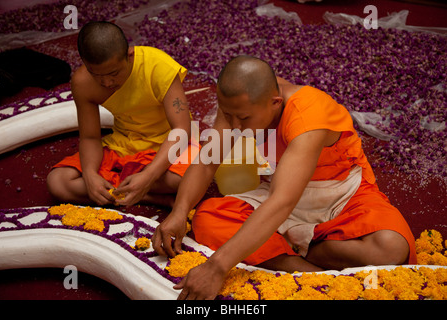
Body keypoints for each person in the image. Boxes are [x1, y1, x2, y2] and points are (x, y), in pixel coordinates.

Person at [152, 55, 416, 300]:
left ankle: (290, 246)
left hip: (340, 193)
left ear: (275, 104)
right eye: (228, 116)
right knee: (208, 218)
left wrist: (217, 266)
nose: (234, 127)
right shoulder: (238, 102)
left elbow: (282, 201)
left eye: (243, 119)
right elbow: (208, 162)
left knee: (391, 248)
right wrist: (179, 211)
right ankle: (301, 267)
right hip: (280, 188)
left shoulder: (308, 115)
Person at [47, 21, 197, 207]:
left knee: (193, 175)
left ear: (129, 55)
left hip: (166, 142)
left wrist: (149, 175)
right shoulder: (83, 83)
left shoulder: (158, 65)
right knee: (58, 182)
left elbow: (182, 129)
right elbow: (90, 138)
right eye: (97, 75)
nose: (107, 83)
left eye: (114, 73)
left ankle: (127, 189)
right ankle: (144, 195)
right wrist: (90, 175)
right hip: (123, 144)